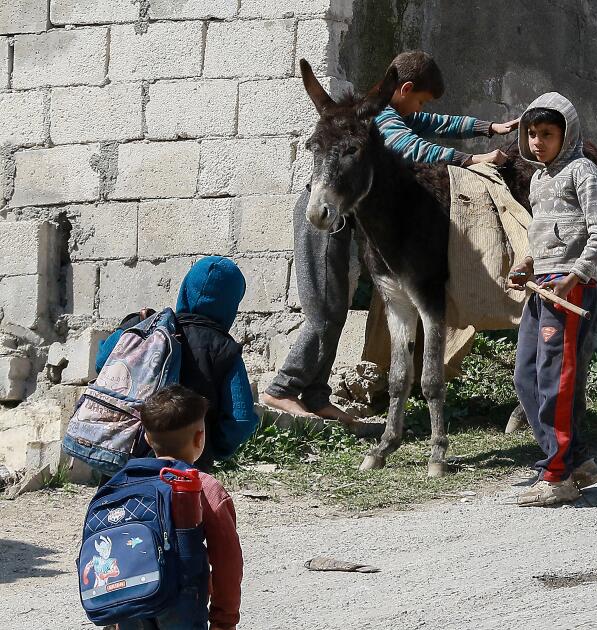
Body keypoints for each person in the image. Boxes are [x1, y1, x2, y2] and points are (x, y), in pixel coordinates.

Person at [262, 50, 519, 423]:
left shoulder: (393, 110)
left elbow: (436, 121)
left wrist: (486, 128)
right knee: (325, 311)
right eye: (419, 100)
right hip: (326, 215)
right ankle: (282, 388)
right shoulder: (378, 118)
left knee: (336, 307)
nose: (421, 110)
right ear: (405, 89)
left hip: (344, 216)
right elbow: (413, 146)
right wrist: (469, 160)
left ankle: (316, 396)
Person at [507, 92, 597, 507]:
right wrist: (527, 265)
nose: (537, 142)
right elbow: (542, 239)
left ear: (566, 134)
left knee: (556, 380)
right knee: (525, 376)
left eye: (547, 134)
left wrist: (574, 277)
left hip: (570, 290)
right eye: (531, 134)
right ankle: (577, 460)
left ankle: (557, 476)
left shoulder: (583, 172)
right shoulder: (537, 179)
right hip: (543, 288)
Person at [96, 256, 258, 469]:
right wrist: (211, 447)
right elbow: (241, 420)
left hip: (125, 457)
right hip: (186, 471)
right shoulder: (226, 350)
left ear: (185, 289)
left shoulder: (150, 327)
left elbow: (103, 363)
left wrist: (130, 325)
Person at [118, 385, 242, 630]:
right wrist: (224, 620)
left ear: (146, 437)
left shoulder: (123, 483)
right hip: (182, 604)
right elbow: (227, 561)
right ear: (200, 438)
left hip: (129, 601)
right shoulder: (204, 488)